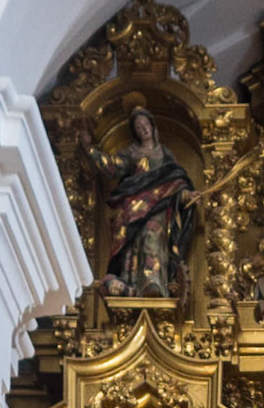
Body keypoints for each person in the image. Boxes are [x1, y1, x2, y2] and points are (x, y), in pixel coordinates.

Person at [79, 106, 198, 300]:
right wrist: (89, 149)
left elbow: (175, 181)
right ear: (135, 132)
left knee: (152, 235)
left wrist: (186, 195)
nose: (143, 128)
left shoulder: (165, 155)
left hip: (159, 207)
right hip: (134, 209)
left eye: (145, 124)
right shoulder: (131, 154)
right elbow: (111, 166)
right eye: (138, 126)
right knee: (132, 245)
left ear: (152, 126)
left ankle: (153, 283)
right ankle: (131, 284)